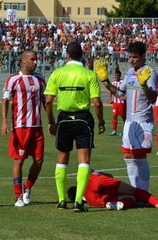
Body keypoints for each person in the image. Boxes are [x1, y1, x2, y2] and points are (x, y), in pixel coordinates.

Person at [44, 42, 106, 213]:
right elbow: (96, 103)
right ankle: (78, 201)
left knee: (62, 160)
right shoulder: (89, 74)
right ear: (82, 56)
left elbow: (48, 101)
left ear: (67, 55)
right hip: (83, 120)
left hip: (63, 120)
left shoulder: (57, 73)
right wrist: (101, 122)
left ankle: (62, 199)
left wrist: (51, 122)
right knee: (84, 161)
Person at [95, 41, 158, 191]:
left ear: (143, 56)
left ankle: (143, 192)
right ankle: (137, 190)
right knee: (128, 157)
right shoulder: (129, 73)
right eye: (130, 56)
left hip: (143, 121)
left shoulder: (150, 73)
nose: (131, 60)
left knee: (140, 156)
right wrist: (105, 82)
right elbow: (120, 94)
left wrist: (144, 86)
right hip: (129, 122)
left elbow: (153, 98)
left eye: (135, 57)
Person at [1, 50, 46, 207]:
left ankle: (27, 188)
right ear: (24, 61)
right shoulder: (13, 79)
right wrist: (4, 122)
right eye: (32, 59)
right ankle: (17, 196)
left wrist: (52, 122)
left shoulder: (40, 79)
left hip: (37, 127)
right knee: (19, 161)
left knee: (39, 161)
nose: (35, 62)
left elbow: (45, 101)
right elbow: (5, 101)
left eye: (36, 60)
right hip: (21, 127)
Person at [67, 169, 158, 210]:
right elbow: (110, 175)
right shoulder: (83, 179)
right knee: (133, 191)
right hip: (95, 180)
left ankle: (114, 204)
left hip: (94, 199)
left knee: (130, 199)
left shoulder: (89, 201)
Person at [108, 69, 126, 136]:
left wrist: (124, 98)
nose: (116, 77)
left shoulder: (123, 82)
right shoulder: (113, 83)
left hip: (121, 103)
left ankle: (124, 131)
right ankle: (114, 130)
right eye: (115, 75)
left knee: (123, 117)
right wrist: (110, 99)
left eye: (117, 75)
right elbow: (110, 91)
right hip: (115, 103)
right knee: (114, 116)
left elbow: (124, 91)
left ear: (120, 76)